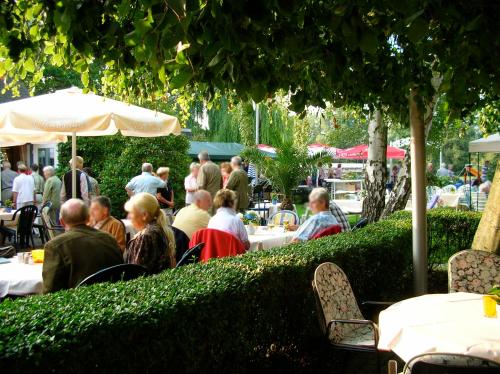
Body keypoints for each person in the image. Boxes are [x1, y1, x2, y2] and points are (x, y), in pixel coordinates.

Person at [42, 199, 123, 293]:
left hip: (77, 302)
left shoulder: (55, 246)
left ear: (61, 222)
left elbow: (50, 291)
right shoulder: (109, 239)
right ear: (88, 218)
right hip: (113, 296)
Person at [124, 192, 176, 273]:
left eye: (131, 212)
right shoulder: (160, 228)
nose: (128, 217)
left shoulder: (144, 237)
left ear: (144, 215)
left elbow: (136, 275)